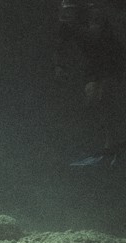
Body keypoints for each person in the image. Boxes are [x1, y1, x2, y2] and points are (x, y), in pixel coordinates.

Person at [54, 1, 126, 164]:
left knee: (104, 97)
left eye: (70, 10)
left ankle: (110, 143)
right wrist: (59, 66)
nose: (66, 13)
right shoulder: (66, 22)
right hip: (93, 63)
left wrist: (74, 25)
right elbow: (60, 46)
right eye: (64, 10)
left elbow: (94, 37)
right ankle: (105, 141)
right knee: (92, 100)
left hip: (112, 58)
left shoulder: (94, 13)